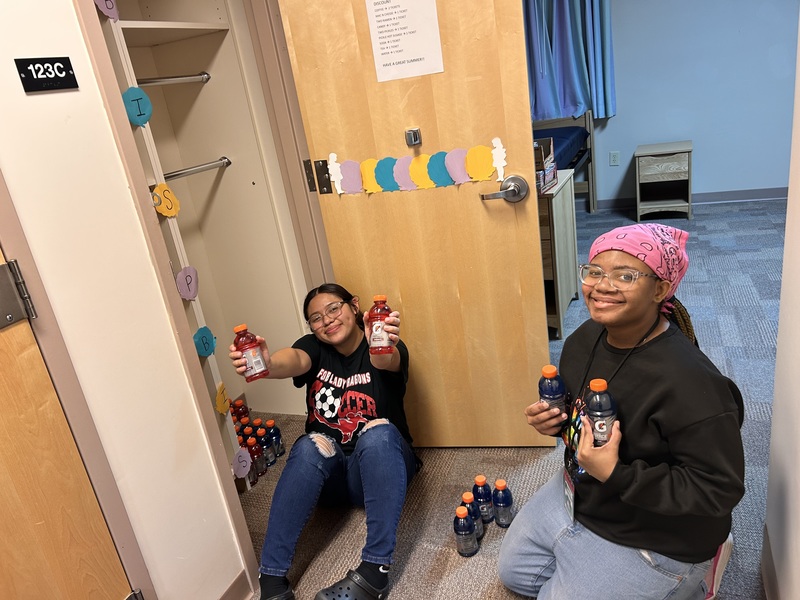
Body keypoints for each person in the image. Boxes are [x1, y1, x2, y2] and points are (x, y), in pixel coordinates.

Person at [498, 223, 745, 599]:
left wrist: (616, 474)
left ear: (660, 289)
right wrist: (556, 421)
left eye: (625, 276)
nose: (602, 286)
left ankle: (693, 579)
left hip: (657, 531)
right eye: (594, 271)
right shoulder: (584, 339)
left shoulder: (690, 384)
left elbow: (718, 489)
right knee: (515, 574)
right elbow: (586, 414)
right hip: (586, 492)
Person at [229, 283, 418, 600]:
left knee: (379, 433)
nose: (327, 320)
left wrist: (381, 345)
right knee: (307, 445)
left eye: (334, 308)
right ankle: (271, 580)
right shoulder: (314, 347)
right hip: (330, 476)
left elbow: (387, 361)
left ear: (353, 306)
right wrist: (267, 364)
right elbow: (294, 359)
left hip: (381, 467)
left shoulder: (380, 342)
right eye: (316, 318)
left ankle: (375, 572)